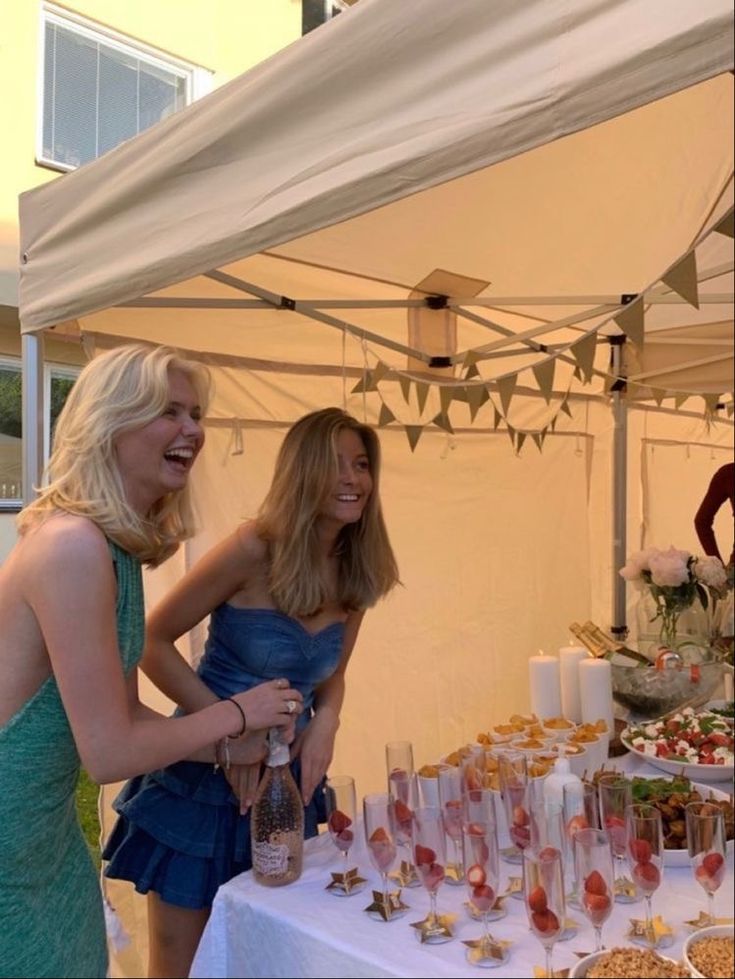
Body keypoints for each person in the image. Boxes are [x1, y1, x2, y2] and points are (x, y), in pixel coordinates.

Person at [0, 345, 303, 979]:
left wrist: (226, 749)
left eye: (196, 414)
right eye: (168, 412)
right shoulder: (71, 548)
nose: (193, 431)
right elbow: (108, 753)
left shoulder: (114, 549)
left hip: (42, 835)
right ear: (109, 422)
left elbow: (119, 710)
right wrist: (235, 716)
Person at [103, 406, 400, 978]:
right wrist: (228, 729)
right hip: (201, 787)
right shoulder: (253, 548)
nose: (354, 480)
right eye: (336, 465)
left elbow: (333, 675)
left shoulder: (358, 567)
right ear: (302, 471)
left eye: (362, 466)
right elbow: (152, 641)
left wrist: (327, 723)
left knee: (270, 953)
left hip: (285, 790)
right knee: (182, 966)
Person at [694, 461, 734, 569]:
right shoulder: (728, 474)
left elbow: (702, 521)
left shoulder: (728, 473)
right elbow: (702, 521)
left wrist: (718, 567)